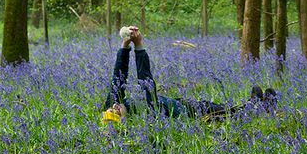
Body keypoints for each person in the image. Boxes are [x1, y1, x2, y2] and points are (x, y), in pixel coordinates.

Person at [100, 26, 276, 123]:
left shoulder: (116, 104)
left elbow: (118, 78)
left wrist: (125, 46)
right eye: (115, 114)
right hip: (190, 116)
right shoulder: (144, 116)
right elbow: (146, 81)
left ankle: (254, 105)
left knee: (219, 107)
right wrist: (139, 46)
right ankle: (258, 109)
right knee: (225, 115)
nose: (113, 108)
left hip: (181, 104)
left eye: (110, 110)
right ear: (123, 122)